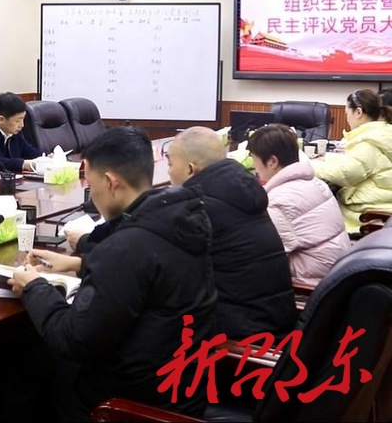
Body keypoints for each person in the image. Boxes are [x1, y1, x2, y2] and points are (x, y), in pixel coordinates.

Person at [10, 127, 217, 420]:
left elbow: (73, 339)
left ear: (110, 182)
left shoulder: (126, 247)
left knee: (20, 362)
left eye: (91, 184)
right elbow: (145, 273)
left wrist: (34, 286)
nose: (91, 194)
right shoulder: (177, 220)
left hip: (130, 404)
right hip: (180, 389)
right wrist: (79, 263)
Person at [165, 126, 296, 339]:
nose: (168, 172)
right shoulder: (241, 193)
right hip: (275, 322)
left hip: (238, 340)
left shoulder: (199, 209)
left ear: (190, 169)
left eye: (170, 164)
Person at [247, 124, 349, 283]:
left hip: (309, 287)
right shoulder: (317, 183)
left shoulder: (278, 202)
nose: (254, 166)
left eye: (254, 159)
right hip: (336, 275)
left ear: (272, 161)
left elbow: (263, 256)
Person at [313, 88, 392, 233]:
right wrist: (326, 159)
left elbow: (343, 175)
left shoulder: (369, 143)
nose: (347, 118)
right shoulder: (383, 133)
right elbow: (362, 164)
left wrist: (308, 165)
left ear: (358, 112)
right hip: (383, 205)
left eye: (346, 113)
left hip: (367, 216)